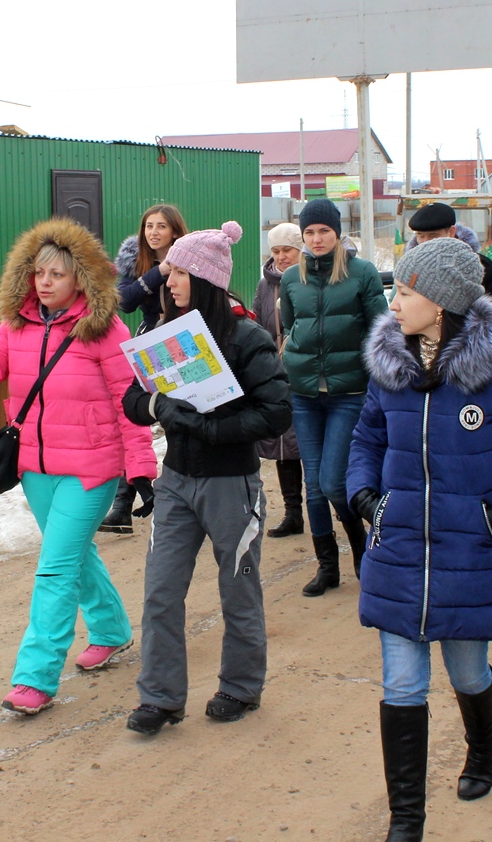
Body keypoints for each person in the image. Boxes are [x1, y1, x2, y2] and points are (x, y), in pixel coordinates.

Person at [346, 238, 492, 842]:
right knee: (402, 685)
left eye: (408, 293)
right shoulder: (389, 371)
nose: (395, 304)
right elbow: (366, 441)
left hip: (467, 552)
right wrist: (365, 497)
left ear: (440, 305)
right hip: (397, 551)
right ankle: (407, 822)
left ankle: (480, 749)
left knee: (469, 674)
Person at [0, 218, 158, 713]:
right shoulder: (18, 324)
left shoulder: (104, 328)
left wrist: (140, 468)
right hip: (35, 467)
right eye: (38, 273)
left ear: (81, 280)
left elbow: (126, 402)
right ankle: (112, 629)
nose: (44, 282)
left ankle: (36, 676)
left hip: (92, 469)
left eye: (56, 274)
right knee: (70, 554)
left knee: (54, 567)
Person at [122, 222, 292, 735]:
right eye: (167, 271)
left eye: (177, 272)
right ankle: (161, 698)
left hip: (231, 487)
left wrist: (212, 427)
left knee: (237, 592)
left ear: (205, 278)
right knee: (160, 592)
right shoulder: (163, 335)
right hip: (175, 482)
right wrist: (159, 405)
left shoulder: (247, 338)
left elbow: (277, 413)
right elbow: (131, 400)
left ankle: (240, 687)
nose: (167, 280)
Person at [279, 198, 388, 596]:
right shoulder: (292, 278)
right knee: (314, 486)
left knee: (333, 483)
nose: (316, 238)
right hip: (304, 393)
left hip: (349, 392)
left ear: (337, 233)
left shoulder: (362, 273)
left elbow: (381, 329)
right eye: (309, 232)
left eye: (323, 231)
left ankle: (362, 549)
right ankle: (328, 567)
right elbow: (290, 327)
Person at [104, 203, 189, 534]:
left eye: (161, 226)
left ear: (175, 231)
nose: (153, 232)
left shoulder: (190, 257)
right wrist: (159, 271)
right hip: (149, 345)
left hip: (181, 344)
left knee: (177, 418)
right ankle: (123, 506)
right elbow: (124, 301)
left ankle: (184, 498)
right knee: (133, 418)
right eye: (148, 226)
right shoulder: (135, 260)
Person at [252, 221, 305, 538]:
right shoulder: (265, 285)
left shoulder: (310, 279)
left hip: (306, 373)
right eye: (276, 250)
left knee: (309, 444)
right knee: (284, 445)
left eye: (288, 250)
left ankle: (332, 507)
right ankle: (293, 513)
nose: (282, 257)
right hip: (276, 374)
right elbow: (258, 324)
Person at [405, 202, 492, 297]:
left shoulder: (484, 269)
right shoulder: (410, 267)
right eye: (421, 236)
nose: (426, 242)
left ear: (451, 232)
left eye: (433, 236)